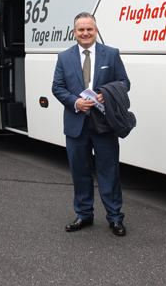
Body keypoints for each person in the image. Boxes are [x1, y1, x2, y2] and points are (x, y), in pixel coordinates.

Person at [52, 12, 131, 236]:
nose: (85, 33)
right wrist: (75, 102)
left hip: (104, 123)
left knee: (109, 172)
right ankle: (84, 215)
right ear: (74, 32)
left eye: (90, 29)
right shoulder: (64, 57)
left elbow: (125, 82)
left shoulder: (111, 54)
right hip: (76, 124)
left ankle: (115, 218)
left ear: (96, 31)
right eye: (81, 29)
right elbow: (57, 87)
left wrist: (108, 94)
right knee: (80, 172)